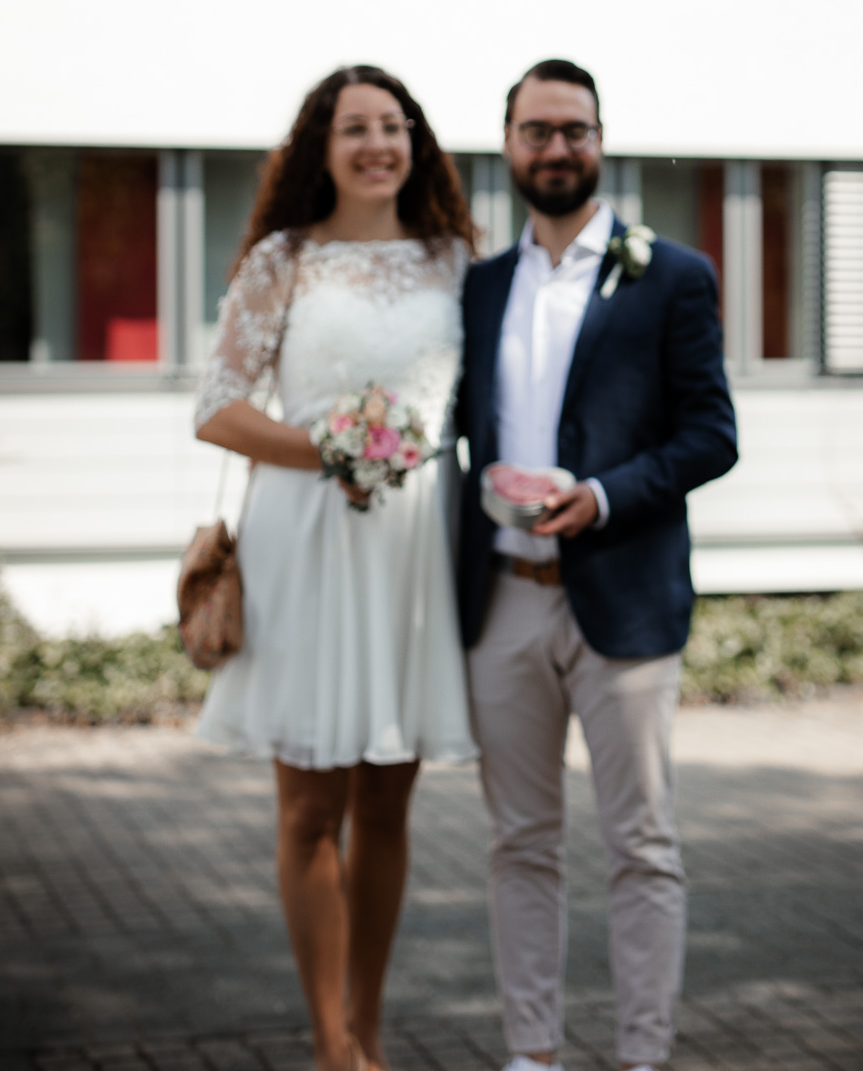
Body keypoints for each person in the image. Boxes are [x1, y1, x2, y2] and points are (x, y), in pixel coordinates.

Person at [193, 65, 480, 1071]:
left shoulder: (456, 257)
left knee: (388, 802)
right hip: (304, 542)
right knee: (311, 801)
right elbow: (217, 407)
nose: (375, 144)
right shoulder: (284, 259)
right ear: (321, 145)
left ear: (416, 142)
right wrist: (332, 448)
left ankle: (371, 1025)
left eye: (392, 126)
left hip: (414, 551)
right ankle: (329, 1044)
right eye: (354, 127)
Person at [454, 59, 738, 1071]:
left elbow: (713, 434)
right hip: (502, 601)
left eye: (573, 129)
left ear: (600, 139)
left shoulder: (671, 273)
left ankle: (642, 1055)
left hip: (623, 596)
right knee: (519, 844)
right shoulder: (481, 285)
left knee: (642, 846)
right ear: (509, 145)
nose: (556, 147)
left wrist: (606, 493)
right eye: (537, 130)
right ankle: (532, 1053)